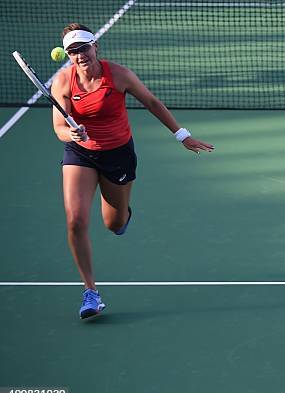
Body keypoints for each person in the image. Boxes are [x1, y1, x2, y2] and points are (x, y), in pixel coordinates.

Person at [50, 23, 214, 319]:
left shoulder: (120, 76)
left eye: (83, 48)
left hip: (118, 155)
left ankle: (123, 215)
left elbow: (151, 102)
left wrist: (183, 136)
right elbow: (59, 127)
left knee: (114, 224)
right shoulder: (63, 82)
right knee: (75, 219)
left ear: (95, 46)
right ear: (68, 55)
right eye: (73, 51)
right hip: (81, 153)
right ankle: (91, 291)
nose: (79, 55)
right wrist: (72, 135)